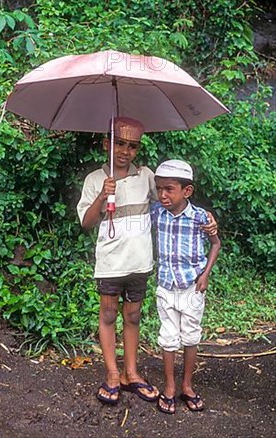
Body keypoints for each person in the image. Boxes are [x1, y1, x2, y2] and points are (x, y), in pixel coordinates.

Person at [77, 119, 217, 406]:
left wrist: (205, 219)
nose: (126, 151)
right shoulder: (95, 180)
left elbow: (169, 203)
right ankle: (113, 374)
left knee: (133, 316)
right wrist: (103, 195)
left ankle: (132, 372)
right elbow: (86, 223)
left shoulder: (146, 176)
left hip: (141, 263)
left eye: (132, 145)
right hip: (111, 263)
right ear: (107, 144)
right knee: (107, 315)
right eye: (120, 144)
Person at [150, 159, 221, 414]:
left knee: (191, 335)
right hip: (166, 287)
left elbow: (215, 244)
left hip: (192, 287)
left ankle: (187, 385)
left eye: (169, 189)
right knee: (168, 337)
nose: (163, 195)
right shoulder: (157, 212)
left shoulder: (200, 217)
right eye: (159, 189)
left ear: (186, 191)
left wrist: (205, 274)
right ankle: (169, 386)